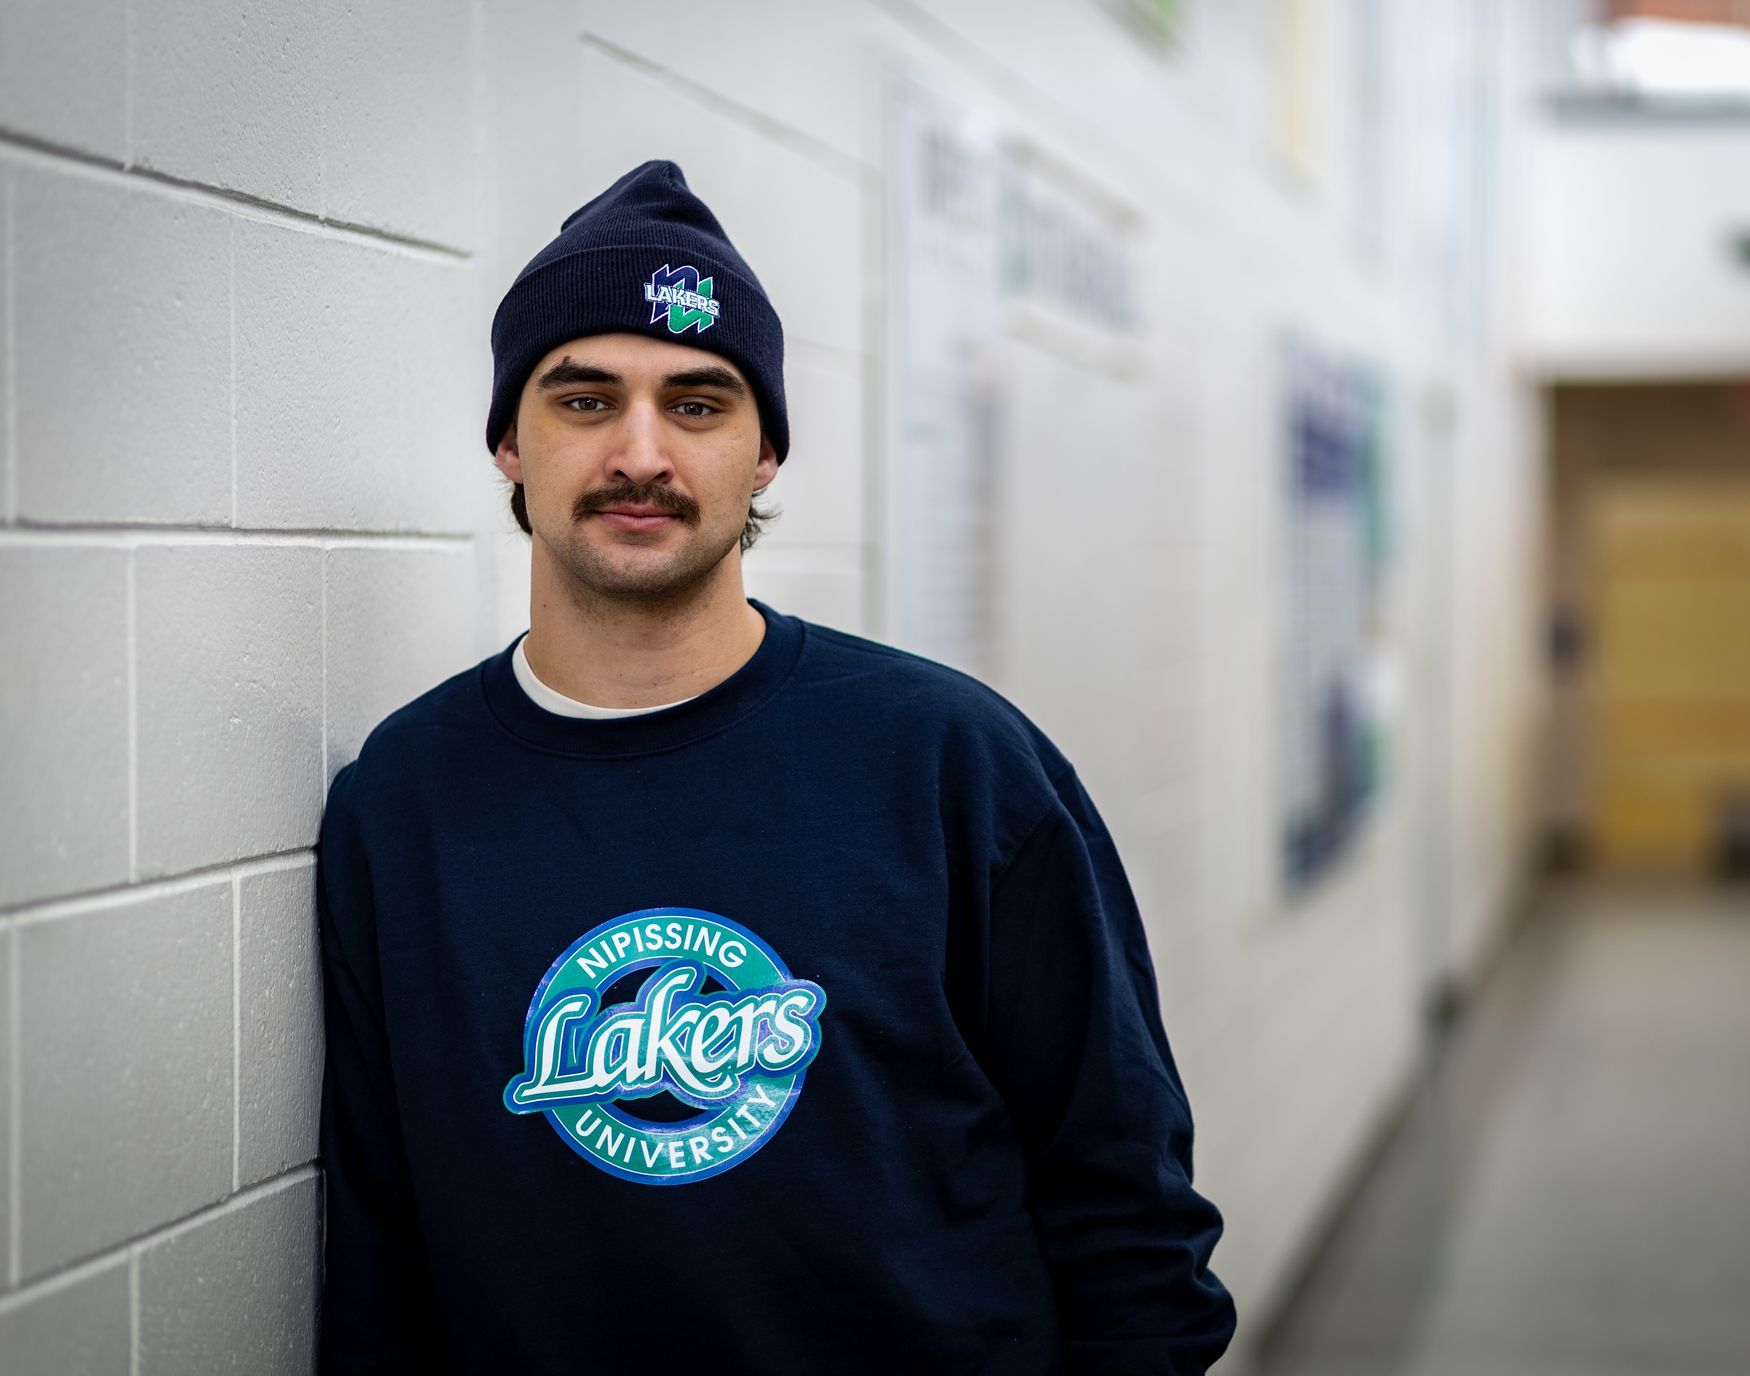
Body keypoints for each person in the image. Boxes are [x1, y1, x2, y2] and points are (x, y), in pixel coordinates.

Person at [315, 158, 1235, 1374]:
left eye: (697, 405)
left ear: (764, 458)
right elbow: (380, 1255)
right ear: (507, 443)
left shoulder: (951, 762)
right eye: (585, 400)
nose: (641, 452)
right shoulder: (405, 797)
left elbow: (1128, 1214)